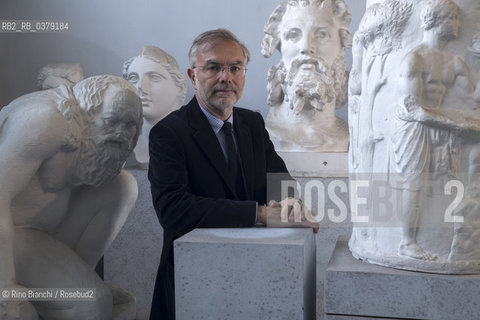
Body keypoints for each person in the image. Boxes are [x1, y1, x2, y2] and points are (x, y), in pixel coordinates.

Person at [148, 28, 318, 320]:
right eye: (213, 67)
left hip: (256, 273)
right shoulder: (168, 133)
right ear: (193, 76)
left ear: (243, 74)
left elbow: (278, 179)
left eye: (235, 68)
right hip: (194, 281)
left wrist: (290, 203)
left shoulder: (252, 122)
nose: (225, 77)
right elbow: (173, 210)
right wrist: (261, 213)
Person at [0, 75, 142, 319]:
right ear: (88, 114)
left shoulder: (92, 140)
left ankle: (75, 285)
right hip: (13, 233)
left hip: (42, 232)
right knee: (90, 305)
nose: (121, 133)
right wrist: (6, 288)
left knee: (123, 185)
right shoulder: (44, 121)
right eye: (111, 121)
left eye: (129, 125)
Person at [261, 0, 352, 151]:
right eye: (293, 35)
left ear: (342, 47)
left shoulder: (353, 138)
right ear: (279, 47)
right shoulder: (262, 136)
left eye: (322, 35)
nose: (305, 47)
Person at [123, 46, 187, 167]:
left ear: (180, 87)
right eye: (133, 78)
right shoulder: (123, 141)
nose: (141, 86)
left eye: (154, 77)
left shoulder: (191, 141)